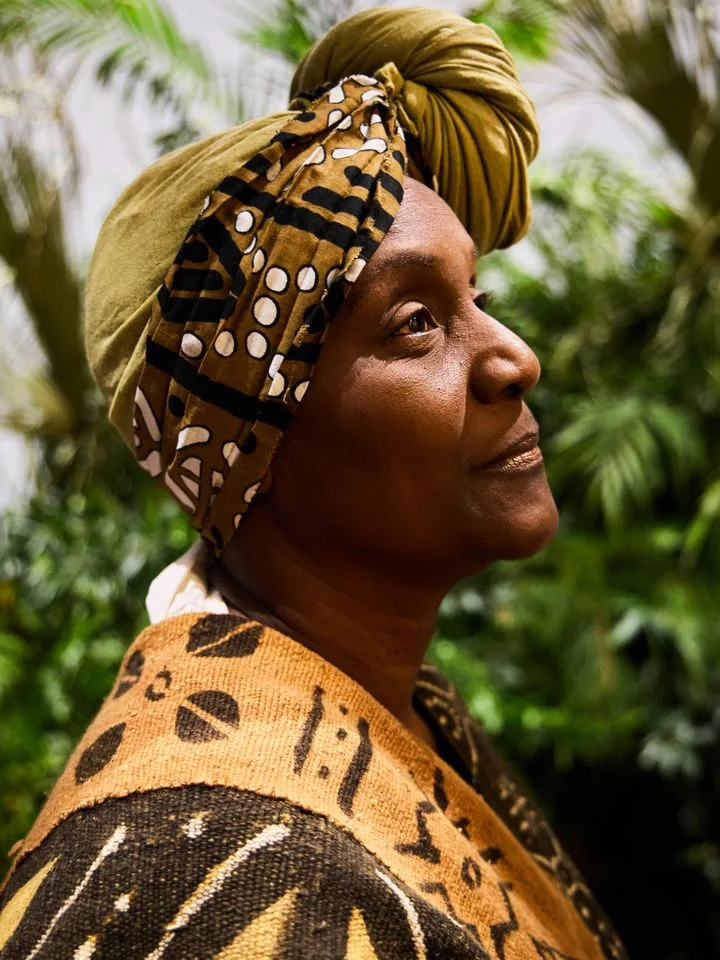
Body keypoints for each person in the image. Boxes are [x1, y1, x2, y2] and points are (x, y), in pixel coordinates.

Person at [0, 7, 629, 959]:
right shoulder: (221, 874)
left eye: (480, 299)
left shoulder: (401, 716)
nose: (515, 359)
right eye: (416, 323)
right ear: (254, 441)